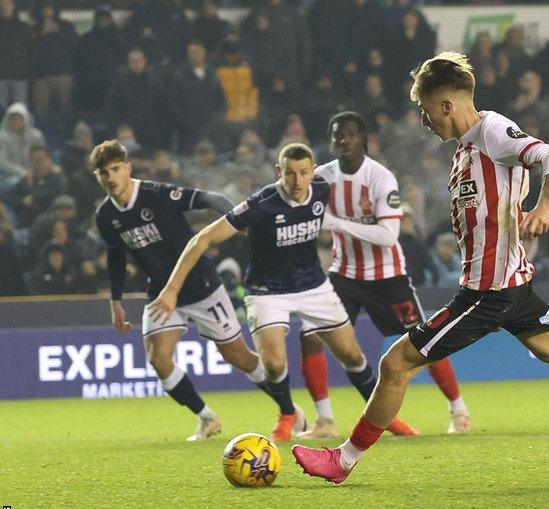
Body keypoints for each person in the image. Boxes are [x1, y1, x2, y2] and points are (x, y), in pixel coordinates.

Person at [291, 52, 549, 484]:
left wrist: (545, 203)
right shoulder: (464, 149)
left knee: (395, 363)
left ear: (445, 105)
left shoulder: (493, 132)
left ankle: (342, 460)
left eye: (425, 111)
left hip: (488, 291)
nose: (423, 121)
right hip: (508, 282)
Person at [149, 143, 402, 442]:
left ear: (313, 172)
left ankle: (385, 421)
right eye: (290, 174)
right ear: (278, 171)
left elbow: (351, 182)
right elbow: (202, 239)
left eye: (304, 173)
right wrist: (171, 289)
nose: (297, 181)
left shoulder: (322, 188)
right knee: (274, 363)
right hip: (267, 291)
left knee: (352, 355)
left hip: (313, 286)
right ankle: (287, 414)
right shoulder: (261, 204)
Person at [293, 111, 470, 439]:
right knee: (310, 336)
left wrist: (336, 224)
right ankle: (325, 420)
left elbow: (389, 235)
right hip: (343, 275)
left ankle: (458, 409)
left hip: (387, 277)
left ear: (364, 139)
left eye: (349, 133)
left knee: (422, 342)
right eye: (336, 135)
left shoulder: (380, 178)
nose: (342, 140)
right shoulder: (321, 177)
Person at [90, 140, 278, 442]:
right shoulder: (105, 217)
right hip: (162, 293)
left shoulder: (156, 195)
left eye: (115, 169)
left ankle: (289, 408)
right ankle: (207, 419)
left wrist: (239, 223)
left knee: (239, 356)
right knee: (158, 359)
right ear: (97, 176)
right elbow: (116, 256)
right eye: (103, 172)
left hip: (199, 284)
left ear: (128, 168)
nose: (110, 177)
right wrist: (116, 300)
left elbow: (211, 197)